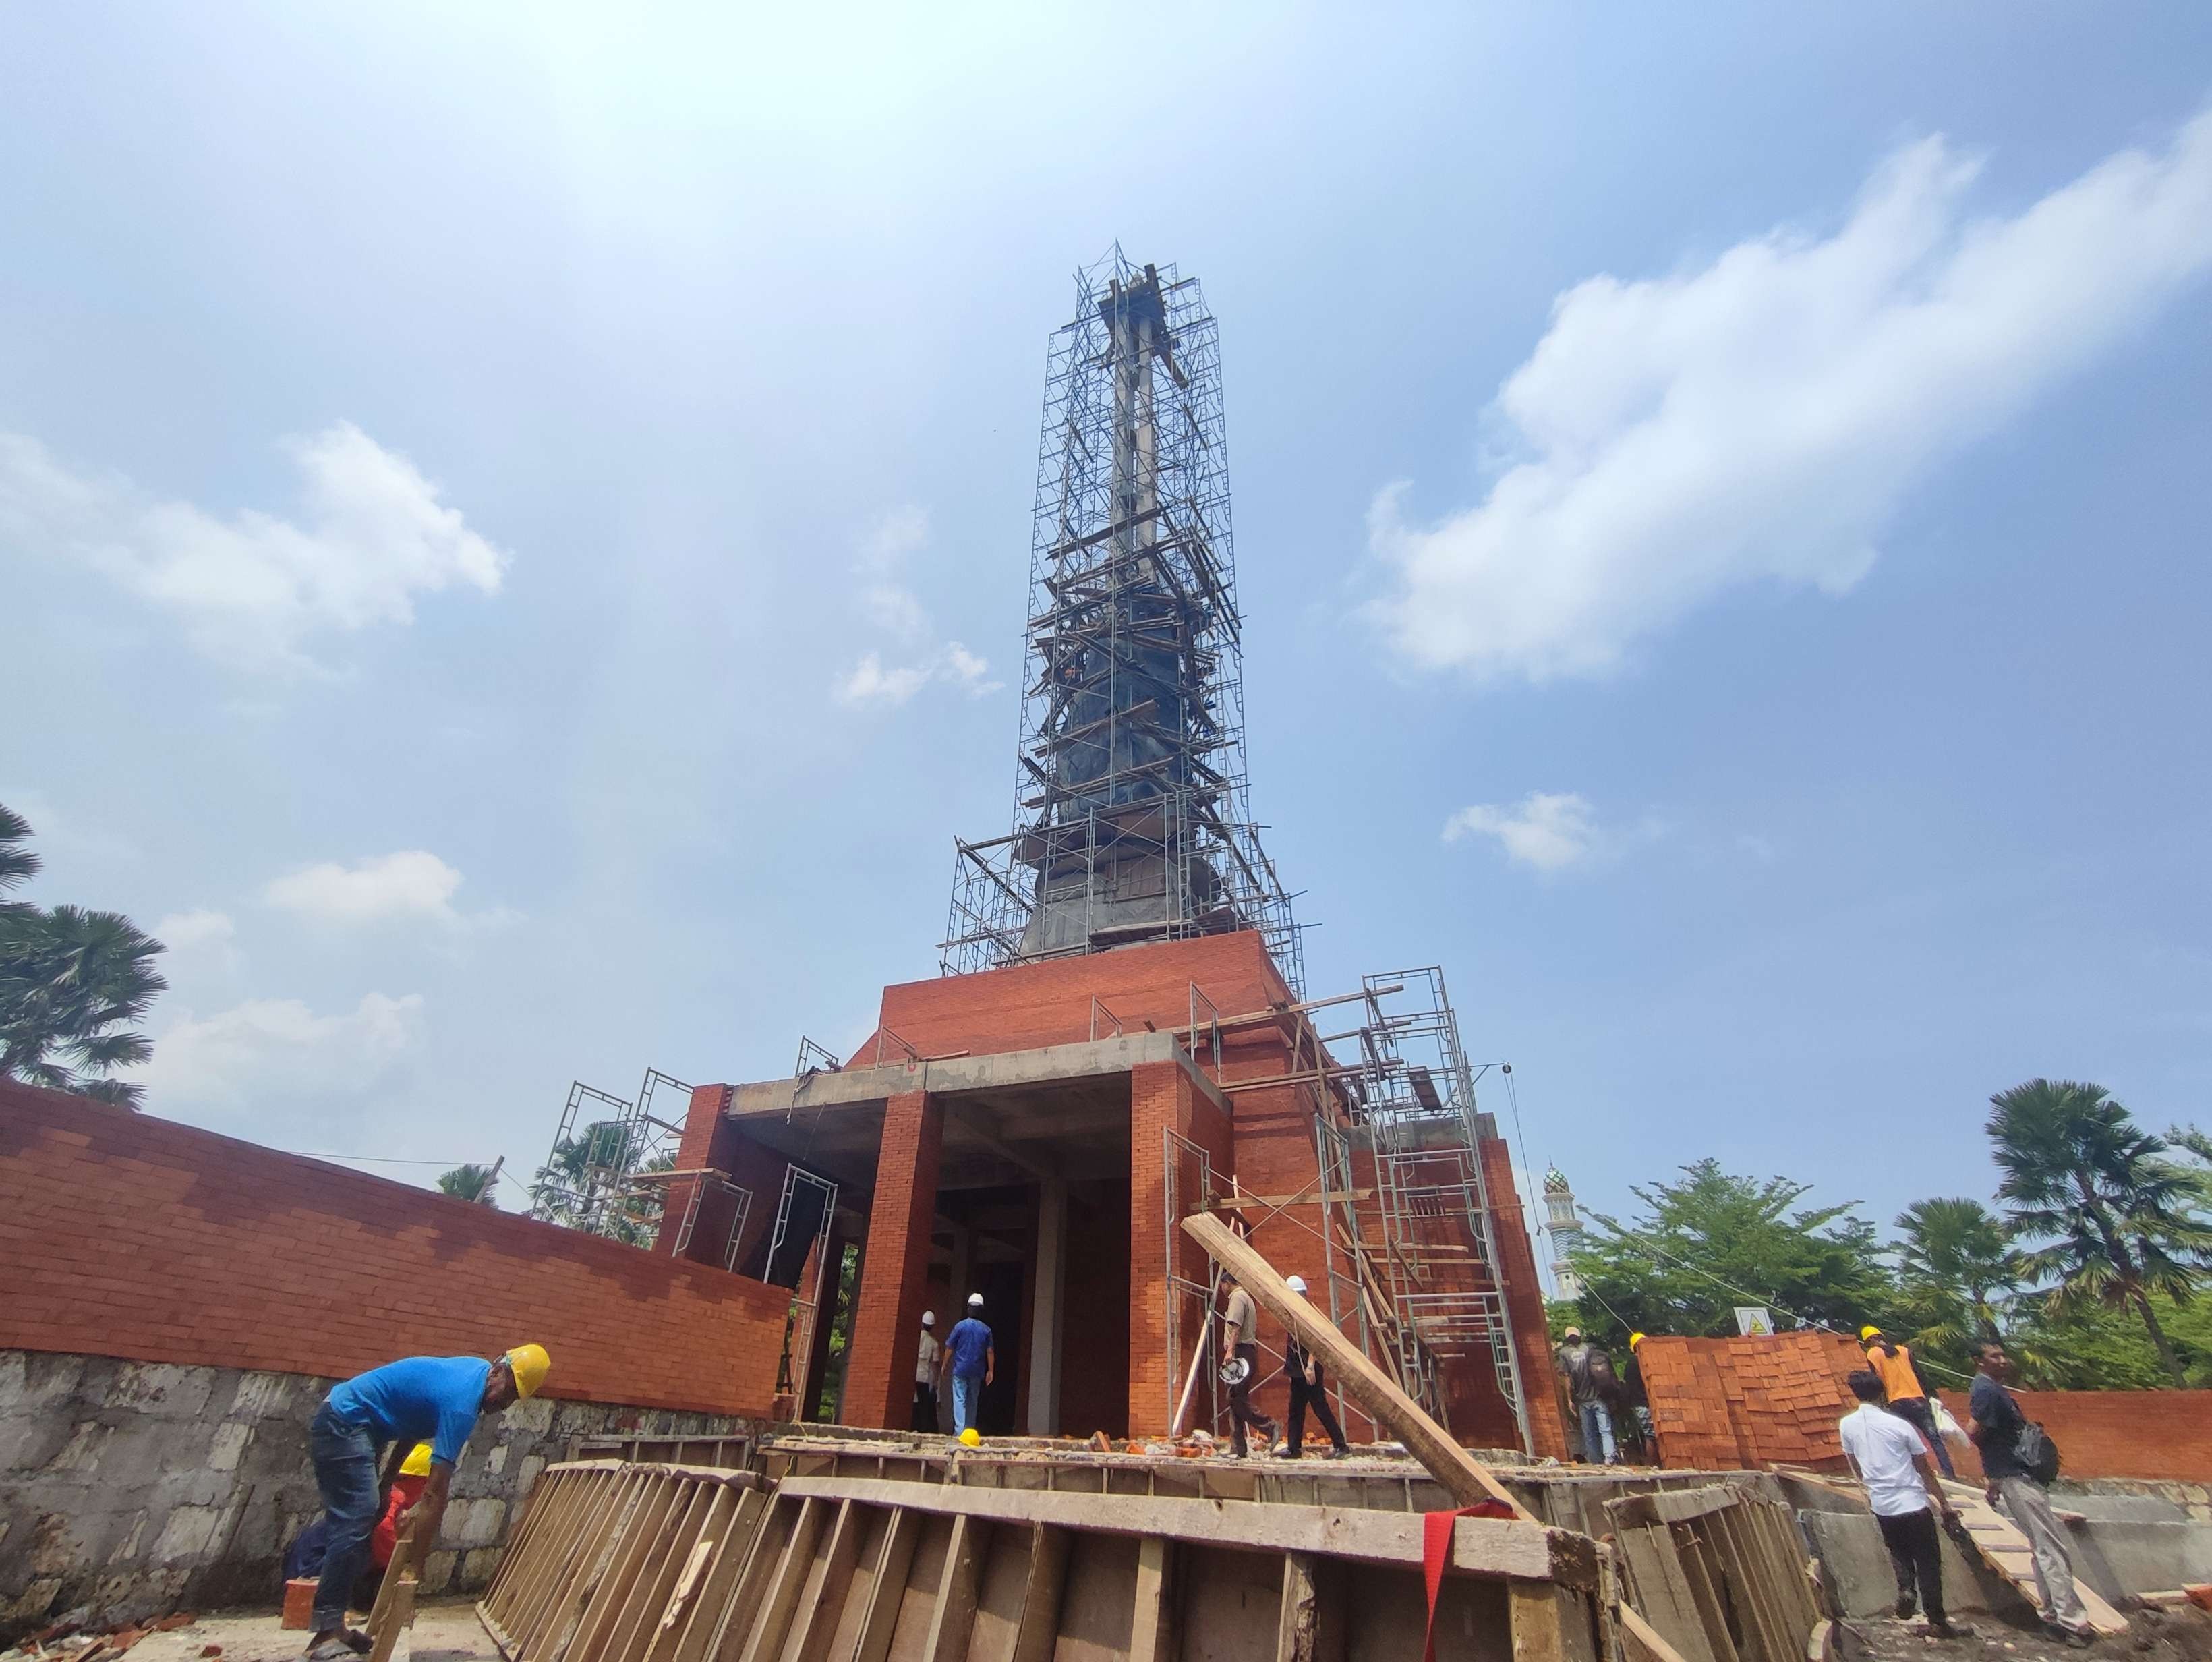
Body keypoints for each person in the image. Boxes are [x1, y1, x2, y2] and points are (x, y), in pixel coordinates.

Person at [305, 1346, 548, 1660]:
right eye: (509, 1394)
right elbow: (434, 1493)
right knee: (356, 1517)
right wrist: (413, 1571)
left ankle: (334, 1626)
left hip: (363, 1426)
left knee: (365, 1514)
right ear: (498, 1373)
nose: (505, 1405)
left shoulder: (474, 1372)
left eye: (514, 1401)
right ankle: (325, 1634)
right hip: (345, 1421)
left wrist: (386, 1485)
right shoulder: (463, 1404)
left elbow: (411, 1428)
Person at [1971, 1341, 2092, 1646]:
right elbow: (1974, 1431)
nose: (2002, 1360)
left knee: (2042, 1548)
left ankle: (2052, 1617)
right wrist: (1996, 1474)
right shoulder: (1985, 1390)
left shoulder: (1993, 1389)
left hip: (2015, 1475)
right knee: (2051, 1549)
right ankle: (2072, 1623)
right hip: (2017, 1476)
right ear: (1978, 1361)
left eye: (2001, 1354)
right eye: (1993, 1356)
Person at [1838, 1371, 1971, 1638]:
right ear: (1881, 1393)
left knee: (1898, 1552)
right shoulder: (1899, 1426)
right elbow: (1925, 1471)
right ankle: (1937, 1620)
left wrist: (1869, 1489)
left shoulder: (1847, 1426)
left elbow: (1855, 1466)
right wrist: (1944, 1504)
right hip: (1912, 1502)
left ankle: (1906, 1589)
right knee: (1929, 1561)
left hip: (1882, 1504)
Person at [1861, 1325, 1955, 1479]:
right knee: (1934, 1438)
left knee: (1903, 1439)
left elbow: (1877, 1380)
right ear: (1881, 1336)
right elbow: (1920, 1374)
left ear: (1869, 1341)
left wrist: (1881, 1403)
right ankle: (1949, 1473)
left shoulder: (1873, 1354)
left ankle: (1917, 1473)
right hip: (1919, 1399)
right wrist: (1932, 1395)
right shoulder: (1904, 1351)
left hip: (1897, 1402)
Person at [1274, 1275, 1349, 1460]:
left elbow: (1315, 1341)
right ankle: (1294, 1448)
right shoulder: (1295, 1313)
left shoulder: (1307, 1313)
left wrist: (1310, 1366)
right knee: (1296, 1409)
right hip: (1298, 1369)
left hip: (1308, 1369)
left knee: (1320, 1407)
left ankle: (1341, 1446)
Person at [1219, 1273, 1279, 1458]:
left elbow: (1236, 1327)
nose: (1222, 1289)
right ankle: (1238, 1447)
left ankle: (1269, 1425)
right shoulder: (1247, 1297)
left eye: (1222, 1285)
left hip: (1240, 1352)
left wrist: (1230, 1352)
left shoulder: (1237, 1298)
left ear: (1227, 1283)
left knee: (1236, 1398)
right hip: (1246, 1352)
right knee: (1236, 1397)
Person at [1555, 1327, 1619, 1465]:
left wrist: (1569, 1399)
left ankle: (1596, 1462)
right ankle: (1609, 1457)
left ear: (1567, 1338)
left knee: (1589, 1434)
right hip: (1599, 1397)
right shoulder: (1590, 1349)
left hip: (1582, 1400)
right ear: (1580, 1336)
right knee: (1605, 1429)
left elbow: (1566, 1377)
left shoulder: (1565, 1353)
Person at [945, 1294, 994, 1439]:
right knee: (973, 1400)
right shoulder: (986, 1330)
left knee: (960, 1398)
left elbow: (949, 1347)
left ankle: (960, 1431)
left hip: (960, 1369)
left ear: (968, 1309)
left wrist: (944, 1364)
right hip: (977, 1371)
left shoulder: (960, 1327)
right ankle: (969, 1431)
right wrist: (991, 1370)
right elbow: (990, 1351)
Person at [913, 1311, 942, 1434]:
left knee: (914, 1403)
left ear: (922, 1323)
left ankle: (913, 1426)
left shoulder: (916, 1338)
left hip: (914, 1374)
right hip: (925, 1377)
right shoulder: (934, 1343)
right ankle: (922, 1429)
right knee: (923, 1404)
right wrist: (936, 1383)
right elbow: (935, 1364)